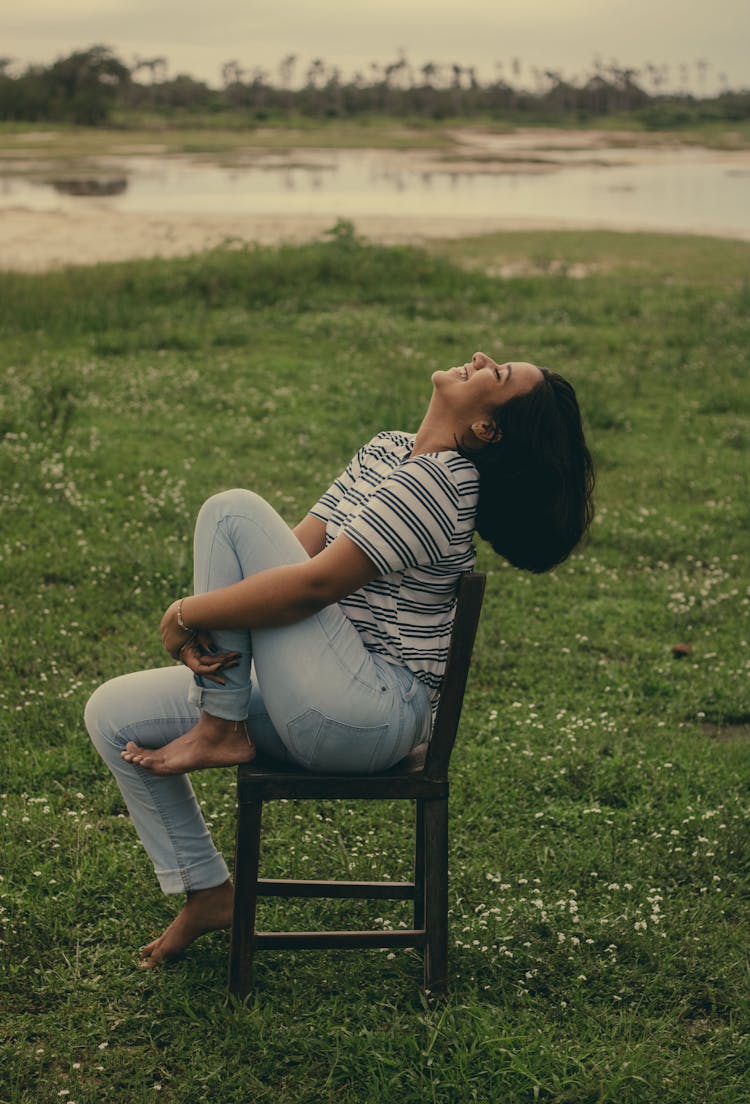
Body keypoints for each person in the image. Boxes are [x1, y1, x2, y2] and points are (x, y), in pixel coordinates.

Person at [84, 351, 594, 967]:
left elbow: (310, 588)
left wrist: (187, 614)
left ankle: (220, 727)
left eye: (500, 375)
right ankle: (207, 890)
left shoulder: (444, 481)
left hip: (372, 711)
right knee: (112, 713)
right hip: (313, 688)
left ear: (487, 428)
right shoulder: (386, 451)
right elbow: (293, 554)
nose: (482, 357)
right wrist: (210, 617)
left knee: (232, 511)